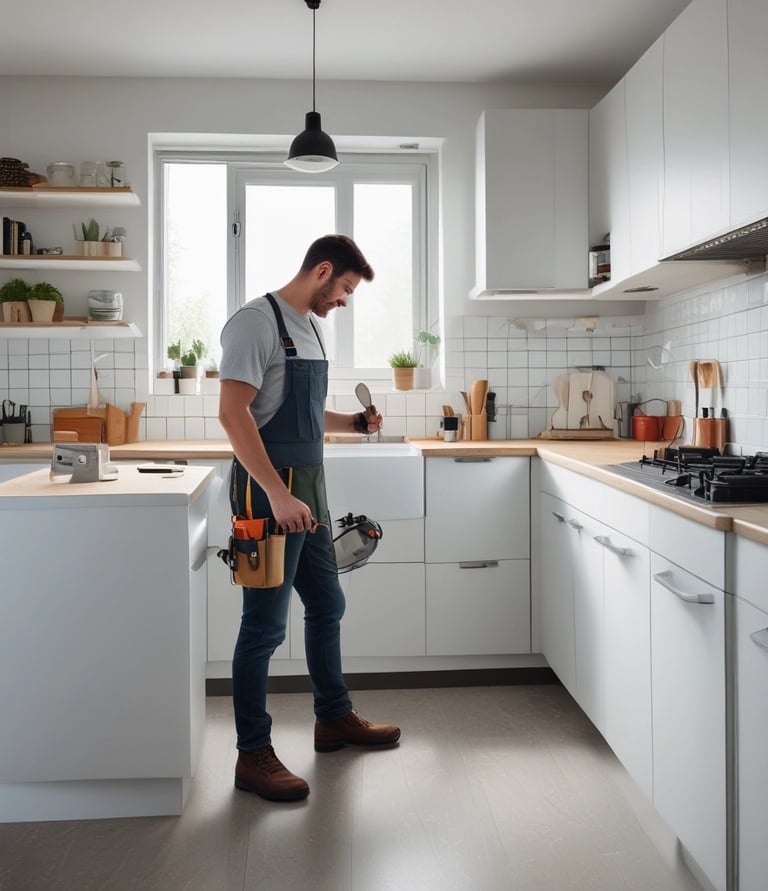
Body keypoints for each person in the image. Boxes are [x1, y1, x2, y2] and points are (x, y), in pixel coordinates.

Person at [218, 234, 401, 802]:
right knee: (264, 628)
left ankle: (333, 718)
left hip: (310, 492)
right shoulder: (254, 322)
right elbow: (233, 413)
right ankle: (252, 754)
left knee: (327, 604)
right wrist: (276, 493)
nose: (345, 300)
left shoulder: (309, 325)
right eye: (344, 288)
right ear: (323, 271)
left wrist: (352, 422)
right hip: (268, 493)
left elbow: (296, 410)